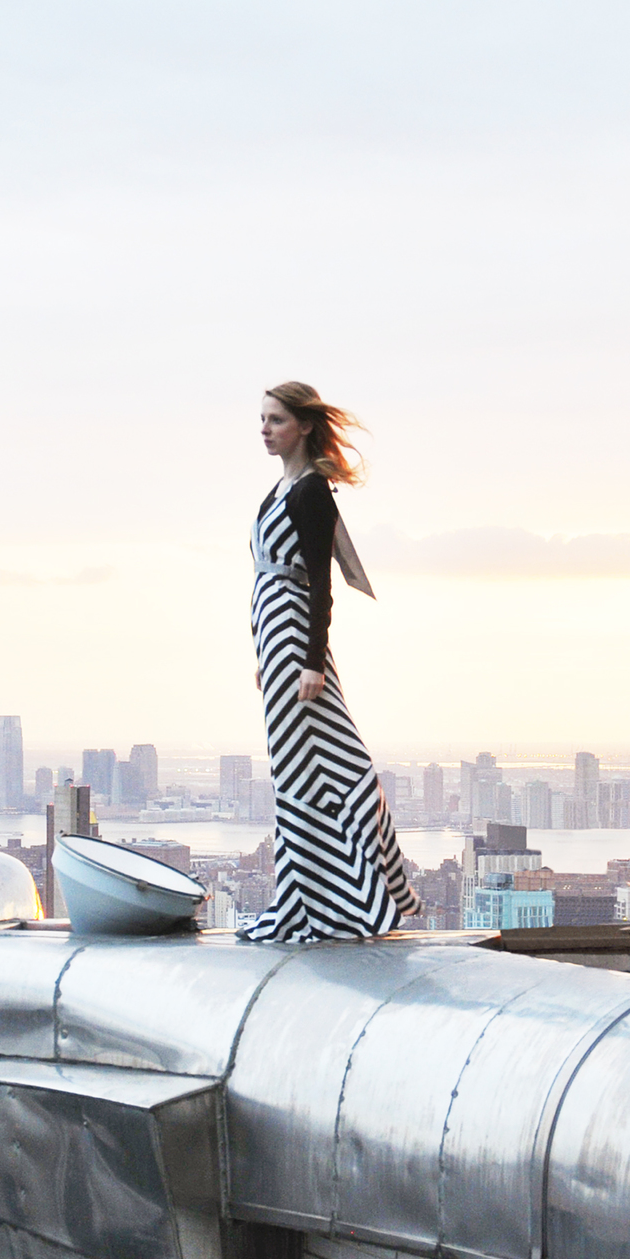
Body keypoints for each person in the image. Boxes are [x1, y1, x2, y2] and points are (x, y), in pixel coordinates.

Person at [239, 382, 421, 942]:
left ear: (304, 425)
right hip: (276, 642)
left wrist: (311, 661)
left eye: (275, 420)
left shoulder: (312, 492)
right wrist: (265, 656)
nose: (264, 429)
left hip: (297, 641)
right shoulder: (280, 490)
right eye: (262, 419)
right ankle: (315, 898)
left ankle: (359, 893)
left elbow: (320, 581)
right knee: (294, 772)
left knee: (334, 763)